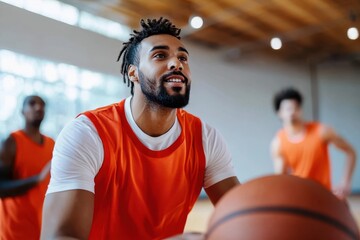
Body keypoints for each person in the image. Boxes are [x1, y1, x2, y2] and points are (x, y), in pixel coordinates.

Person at [41, 18, 240, 240]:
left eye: (183, 57)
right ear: (133, 73)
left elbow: (245, 218)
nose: (177, 63)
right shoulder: (88, 133)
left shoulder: (205, 138)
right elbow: (57, 237)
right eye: (160, 55)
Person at [270, 87, 356, 200]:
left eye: (295, 107)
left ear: (300, 109)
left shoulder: (322, 131)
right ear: (279, 113)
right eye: (287, 108)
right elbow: (281, 178)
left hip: (323, 195)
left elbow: (351, 152)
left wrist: (345, 182)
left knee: (345, 214)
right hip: (299, 197)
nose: (291, 112)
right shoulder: (278, 143)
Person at [0, 95, 55, 240]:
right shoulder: (11, 143)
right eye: (32, 104)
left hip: (42, 228)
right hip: (14, 230)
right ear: (22, 111)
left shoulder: (52, 144)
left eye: (42, 105)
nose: (38, 107)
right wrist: (36, 179)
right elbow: (2, 188)